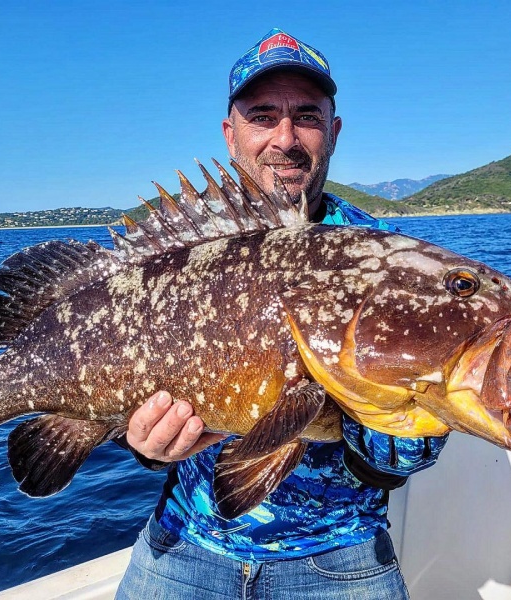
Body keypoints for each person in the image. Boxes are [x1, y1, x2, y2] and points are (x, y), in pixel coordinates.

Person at [115, 28, 449, 600]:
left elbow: (405, 455)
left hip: (341, 558)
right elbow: (116, 374)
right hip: (183, 545)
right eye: (263, 115)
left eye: (307, 117)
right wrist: (143, 446)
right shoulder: (174, 255)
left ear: (334, 130)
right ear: (231, 132)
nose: (285, 138)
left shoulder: (386, 257)